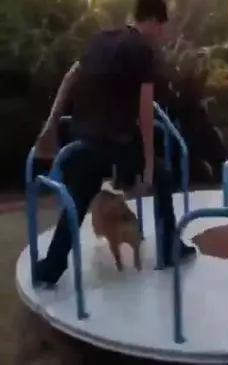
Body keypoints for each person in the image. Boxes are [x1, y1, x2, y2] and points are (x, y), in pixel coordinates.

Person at [33, 0, 196, 287]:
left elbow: (70, 78)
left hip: (83, 140)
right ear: (156, 23)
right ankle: (171, 249)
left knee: (80, 196)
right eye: (162, 29)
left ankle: (51, 268)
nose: (161, 36)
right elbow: (146, 112)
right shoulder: (142, 51)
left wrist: (50, 125)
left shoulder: (98, 39)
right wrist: (146, 164)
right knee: (163, 176)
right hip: (115, 141)